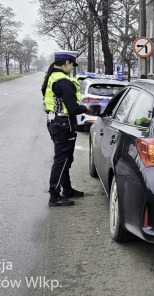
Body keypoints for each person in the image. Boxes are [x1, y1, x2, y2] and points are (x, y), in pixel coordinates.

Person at [41, 51, 88, 207]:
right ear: (67, 63)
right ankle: (54, 196)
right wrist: (87, 108)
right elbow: (73, 108)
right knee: (61, 161)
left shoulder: (51, 77)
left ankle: (66, 189)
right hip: (64, 123)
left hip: (55, 121)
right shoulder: (63, 81)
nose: (72, 68)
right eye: (72, 65)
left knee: (65, 159)